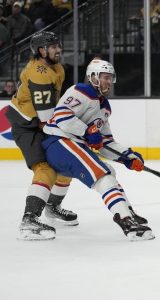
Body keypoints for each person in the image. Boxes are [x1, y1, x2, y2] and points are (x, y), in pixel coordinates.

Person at [42, 59, 154, 241]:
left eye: (111, 78)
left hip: (72, 145)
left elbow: (105, 141)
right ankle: (126, 221)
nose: (109, 82)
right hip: (58, 142)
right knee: (102, 174)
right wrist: (86, 132)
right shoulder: (81, 91)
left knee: (109, 171)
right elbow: (62, 116)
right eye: (105, 77)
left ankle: (127, 211)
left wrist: (127, 156)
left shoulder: (104, 107)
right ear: (93, 77)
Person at [5, 31, 79, 240]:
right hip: (26, 126)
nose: (59, 49)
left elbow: (52, 109)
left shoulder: (57, 68)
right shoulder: (38, 72)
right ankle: (29, 220)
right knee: (45, 169)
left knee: (65, 164)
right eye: (54, 46)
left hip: (40, 123)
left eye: (58, 45)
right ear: (41, 50)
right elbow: (47, 118)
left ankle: (52, 207)